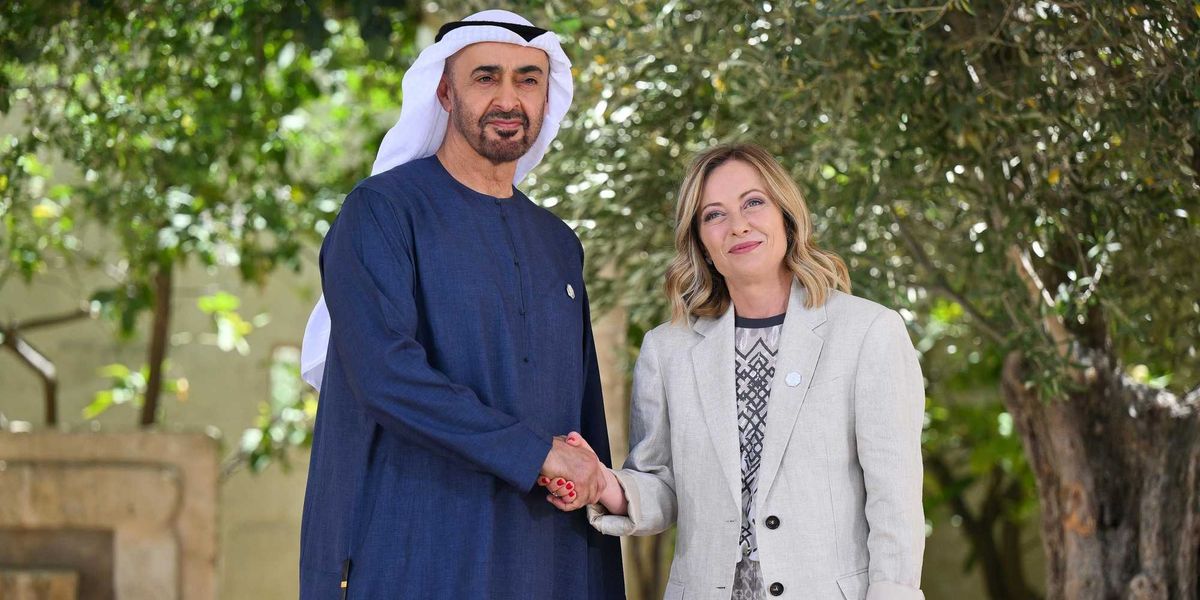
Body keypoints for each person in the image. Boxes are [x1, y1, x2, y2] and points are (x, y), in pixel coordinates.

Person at [297, 10, 624, 599]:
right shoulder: (381, 213)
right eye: (485, 77)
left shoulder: (558, 243)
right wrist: (537, 454)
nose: (509, 98)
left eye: (528, 80)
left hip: (544, 561)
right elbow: (385, 375)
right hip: (417, 553)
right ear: (445, 93)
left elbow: (582, 413)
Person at [542, 143, 925, 599]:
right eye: (714, 215)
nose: (738, 225)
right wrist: (604, 483)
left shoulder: (869, 332)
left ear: (786, 215)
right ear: (700, 241)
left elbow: (894, 499)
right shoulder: (667, 350)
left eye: (754, 203)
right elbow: (663, 486)